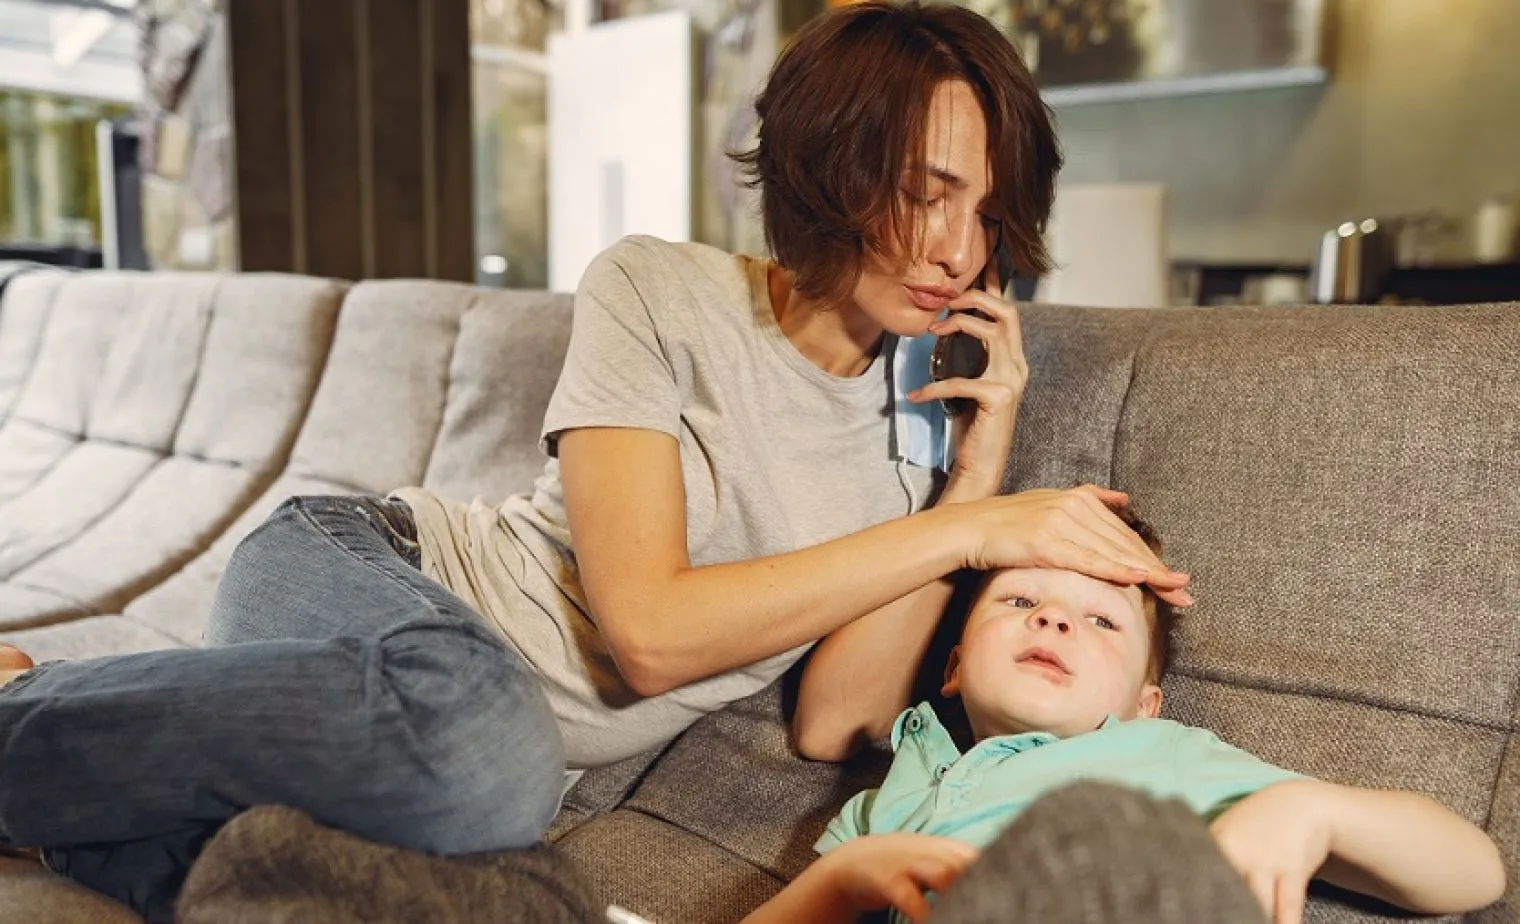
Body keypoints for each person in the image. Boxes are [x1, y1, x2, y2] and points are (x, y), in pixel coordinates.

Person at [0, 2, 1192, 920]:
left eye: (984, 211)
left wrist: (973, 472)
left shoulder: (914, 450)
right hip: (371, 579)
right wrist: (966, 533)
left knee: (482, 869)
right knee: (488, 748)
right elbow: (649, 633)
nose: (953, 248)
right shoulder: (656, 287)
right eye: (925, 193)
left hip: (435, 767)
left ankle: (84, 818)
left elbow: (830, 724)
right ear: (829, 163)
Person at [740, 511, 1506, 924]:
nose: (1054, 622)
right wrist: (839, 881)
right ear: (953, 668)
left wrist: (1309, 812)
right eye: (1019, 601)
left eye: (1102, 622)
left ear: (1145, 707)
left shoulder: (1159, 756)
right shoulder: (902, 780)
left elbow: (1474, 871)